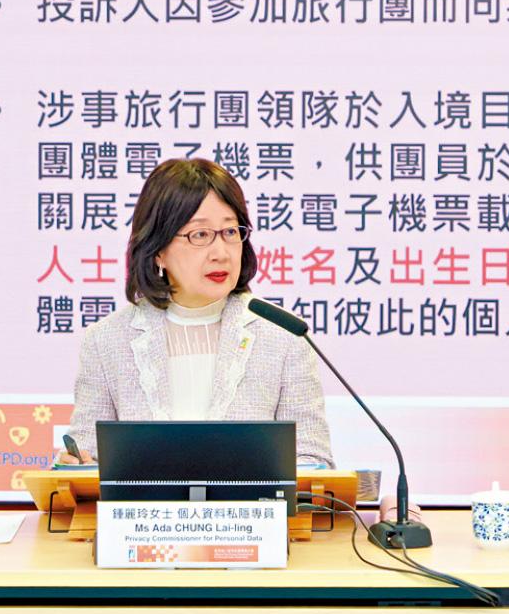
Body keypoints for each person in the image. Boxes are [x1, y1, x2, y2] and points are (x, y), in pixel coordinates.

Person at [63, 158, 334, 467]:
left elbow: (314, 460)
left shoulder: (284, 336)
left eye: (230, 231)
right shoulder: (106, 341)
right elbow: (85, 457)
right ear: (158, 249)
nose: (221, 253)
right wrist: (75, 464)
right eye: (200, 235)